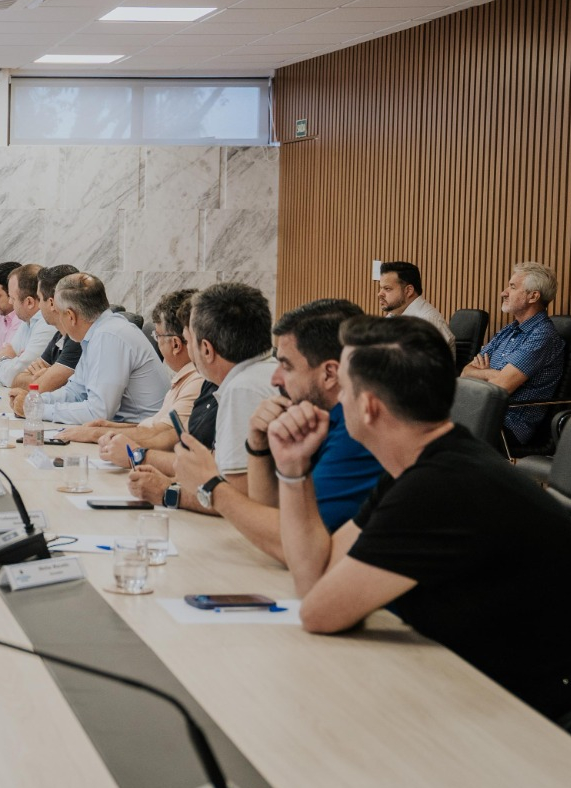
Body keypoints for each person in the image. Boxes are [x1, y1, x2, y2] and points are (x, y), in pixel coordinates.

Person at [269, 315, 571, 728]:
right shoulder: (417, 465)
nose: (339, 401)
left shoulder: (440, 486)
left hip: (536, 725)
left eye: (346, 390)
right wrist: (292, 469)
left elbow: (318, 613)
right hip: (478, 692)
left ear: (369, 406)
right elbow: (314, 581)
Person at [172, 299, 384, 564]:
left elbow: (292, 545)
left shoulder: (361, 432)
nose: (275, 379)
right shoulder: (318, 417)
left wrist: (211, 485)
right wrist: (258, 446)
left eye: (286, 366)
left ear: (330, 373)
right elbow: (271, 514)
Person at [127, 282, 277, 512]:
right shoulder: (259, 373)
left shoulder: (243, 389)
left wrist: (168, 493)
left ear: (206, 349)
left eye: (189, 340)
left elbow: (238, 498)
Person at [58, 289, 204, 454]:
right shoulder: (184, 377)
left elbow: (164, 436)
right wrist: (114, 427)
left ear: (176, 345)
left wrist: (95, 433)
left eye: (158, 337)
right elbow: (158, 426)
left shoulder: (197, 381)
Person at [16, 273, 170, 425]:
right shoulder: (97, 333)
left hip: (141, 434)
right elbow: (76, 392)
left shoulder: (109, 336)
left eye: (59, 312)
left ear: (70, 316)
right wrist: (33, 400)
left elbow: (98, 412)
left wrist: (36, 410)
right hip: (121, 429)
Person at [460, 262, 565, 450]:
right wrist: (495, 374)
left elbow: (500, 387)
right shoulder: (509, 330)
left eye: (513, 286)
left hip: (507, 424)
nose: (504, 292)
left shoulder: (542, 335)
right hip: (481, 413)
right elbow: (465, 372)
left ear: (533, 296)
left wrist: (491, 375)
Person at [11, 264, 82, 393]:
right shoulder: (59, 335)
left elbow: (42, 388)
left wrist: (44, 378)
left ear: (51, 303)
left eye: (39, 298)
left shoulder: (77, 338)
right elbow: (16, 380)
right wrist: (44, 377)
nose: (38, 306)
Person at [0, 264, 53, 387]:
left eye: (12, 298)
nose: (10, 302)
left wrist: (5, 359)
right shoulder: (27, 321)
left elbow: (12, 375)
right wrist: (10, 360)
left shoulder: (47, 325)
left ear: (29, 302)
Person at [377, 261, 454, 347]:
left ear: (409, 291)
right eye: (381, 288)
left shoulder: (427, 322)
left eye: (387, 289)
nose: (380, 294)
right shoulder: (393, 315)